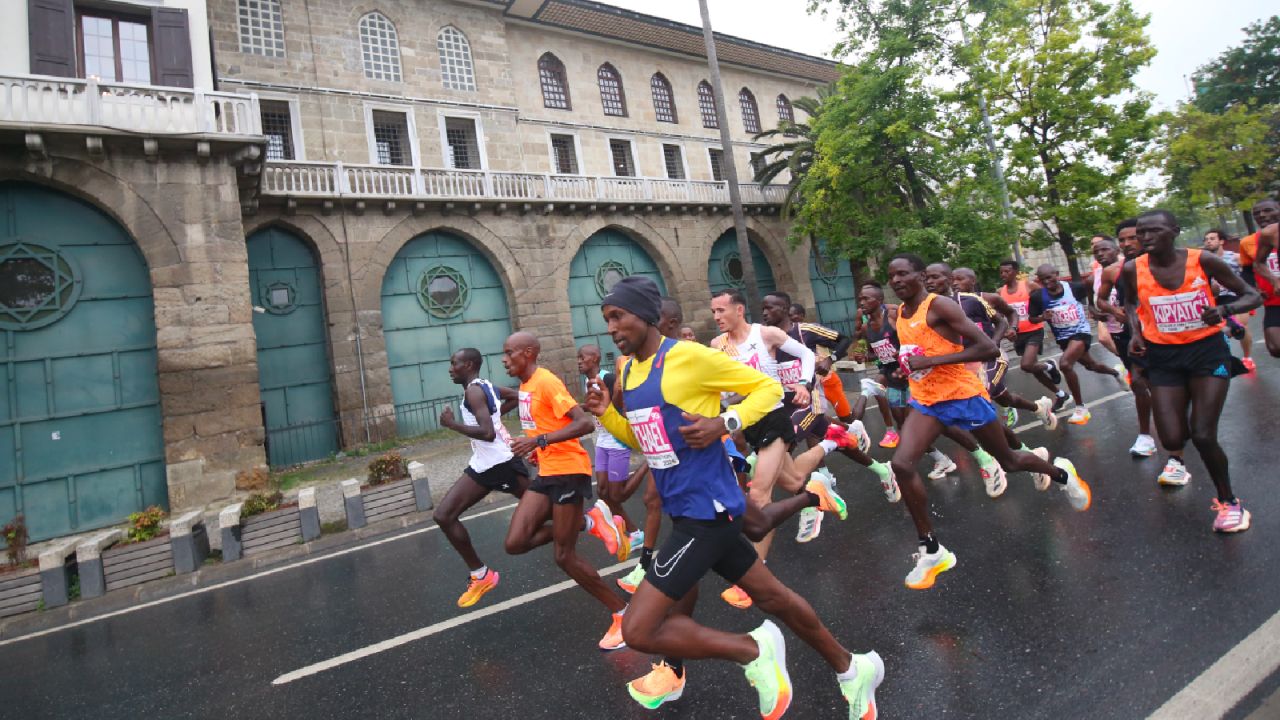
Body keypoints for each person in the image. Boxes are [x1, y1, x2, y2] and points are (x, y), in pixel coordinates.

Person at [585, 276, 885, 719]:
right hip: (689, 505)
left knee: (639, 628)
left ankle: (754, 650)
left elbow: (766, 390)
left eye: (619, 317)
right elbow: (646, 441)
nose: (612, 328)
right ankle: (852, 668)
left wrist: (724, 423)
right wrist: (607, 414)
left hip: (704, 513)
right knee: (775, 597)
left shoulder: (687, 357)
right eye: (607, 319)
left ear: (646, 315)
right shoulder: (629, 371)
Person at [885, 253, 1091, 590]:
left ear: (920, 275)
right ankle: (931, 548)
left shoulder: (940, 307)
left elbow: (986, 349)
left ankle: (1061, 473)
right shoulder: (901, 314)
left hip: (963, 395)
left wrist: (932, 360)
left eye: (902, 274)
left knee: (1009, 461)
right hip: (926, 400)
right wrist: (906, 366)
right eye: (891, 276)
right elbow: (918, 353)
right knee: (902, 465)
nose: (895, 281)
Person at [1121, 209, 1261, 531]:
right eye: (1141, 232)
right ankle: (1180, 459)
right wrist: (1136, 332)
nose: (1144, 238)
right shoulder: (1132, 268)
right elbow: (1130, 303)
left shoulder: (1203, 261)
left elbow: (1251, 294)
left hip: (1206, 354)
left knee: (1202, 433)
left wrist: (1224, 310)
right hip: (1163, 357)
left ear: (1174, 231)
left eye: (1153, 231)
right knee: (1172, 437)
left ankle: (1230, 503)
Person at [500, 331, 631, 651]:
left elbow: (583, 423)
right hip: (547, 471)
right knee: (515, 542)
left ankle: (622, 615)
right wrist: (535, 448)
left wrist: (540, 441)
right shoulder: (526, 386)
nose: (504, 359)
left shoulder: (546, 382)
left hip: (570, 472)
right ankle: (591, 521)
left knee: (564, 555)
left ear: (528, 353)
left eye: (509, 353)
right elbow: (545, 426)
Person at [763, 292, 899, 502]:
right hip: (784, 404)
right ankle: (880, 468)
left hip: (811, 401)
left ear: (784, 308)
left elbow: (843, 340)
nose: (764, 313)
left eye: (770, 308)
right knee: (837, 440)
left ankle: (807, 503)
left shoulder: (805, 331)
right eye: (763, 308)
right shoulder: (764, 339)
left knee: (782, 445)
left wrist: (829, 360)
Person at [435, 348, 530, 608]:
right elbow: (517, 397)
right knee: (443, 515)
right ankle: (481, 575)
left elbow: (487, 433)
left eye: (454, 363)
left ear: (468, 365)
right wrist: (497, 416)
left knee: (546, 508)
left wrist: (452, 425)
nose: (450, 368)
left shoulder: (474, 391)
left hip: (501, 464)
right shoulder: (485, 385)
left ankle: (592, 522)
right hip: (484, 465)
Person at [948, 267, 1058, 433]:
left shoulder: (989, 298)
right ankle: (1039, 408)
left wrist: (1010, 330)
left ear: (973, 281)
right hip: (968, 361)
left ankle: (1002, 450)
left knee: (979, 397)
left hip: (992, 356)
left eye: (960, 279)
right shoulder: (947, 304)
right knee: (1005, 398)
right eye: (952, 279)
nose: (955, 283)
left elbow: (1009, 314)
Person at [1028, 263, 1124, 425]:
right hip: (1063, 338)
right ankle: (1116, 373)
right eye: (1042, 279)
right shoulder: (1038, 297)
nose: (1047, 282)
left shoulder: (1074, 288)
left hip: (1081, 332)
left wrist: (1092, 308)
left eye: (1049, 277)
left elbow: (1093, 287)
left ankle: (1081, 408)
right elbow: (1032, 318)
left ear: (1057, 274)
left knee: (1065, 364)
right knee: (1091, 365)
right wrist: (1043, 318)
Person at [1095, 220, 1158, 459]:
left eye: (1132, 237)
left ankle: (1176, 419)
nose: (1127, 243)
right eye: (1122, 239)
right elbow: (1101, 300)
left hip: (1165, 334)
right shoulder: (1115, 271)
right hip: (1131, 334)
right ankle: (1145, 435)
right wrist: (1115, 313)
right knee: (1139, 382)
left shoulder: (1163, 265)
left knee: (1165, 384)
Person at [578, 344, 643, 552]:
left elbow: (620, 407)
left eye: (583, 357)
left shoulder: (607, 379)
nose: (579, 361)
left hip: (617, 439)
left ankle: (648, 465)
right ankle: (632, 532)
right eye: (578, 358)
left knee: (616, 494)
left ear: (595, 358)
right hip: (602, 440)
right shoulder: (587, 381)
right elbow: (593, 408)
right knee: (603, 492)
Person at [998, 259, 1069, 409]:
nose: (1003, 274)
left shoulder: (1028, 285)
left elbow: (1045, 299)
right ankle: (1061, 394)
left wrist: (1046, 314)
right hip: (1017, 335)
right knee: (1034, 369)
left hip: (1034, 330)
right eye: (1001, 272)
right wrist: (1004, 330)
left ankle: (1049, 366)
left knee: (1026, 365)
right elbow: (1000, 315)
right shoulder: (1000, 292)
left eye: (1007, 271)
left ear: (1016, 272)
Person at [790, 302, 856, 424]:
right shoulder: (782, 336)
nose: (790, 319)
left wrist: (830, 359)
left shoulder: (809, 331)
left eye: (793, 315)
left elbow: (843, 343)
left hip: (828, 380)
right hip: (809, 386)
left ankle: (853, 432)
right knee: (815, 422)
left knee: (846, 418)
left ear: (802, 316)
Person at [1203, 228, 1255, 371]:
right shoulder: (1204, 261)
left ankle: (1247, 357)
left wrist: (1250, 290)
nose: (1208, 241)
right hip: (1216, 299)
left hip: (1236, 297)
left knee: (1240, 326)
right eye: (1206, 239)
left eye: (1212, 238)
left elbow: (1252, 270)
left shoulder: (1234, 257)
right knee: (1222, 330)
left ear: (1221, 241)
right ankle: (1225, 359)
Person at [1239, 198, 1280, 358]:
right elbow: (1250, 269)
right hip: (1274, 301)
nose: (1262, 215)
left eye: (1268, 210)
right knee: (1275, 347)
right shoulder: (1249, 242)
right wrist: (1253, 289)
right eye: (1257, 213)